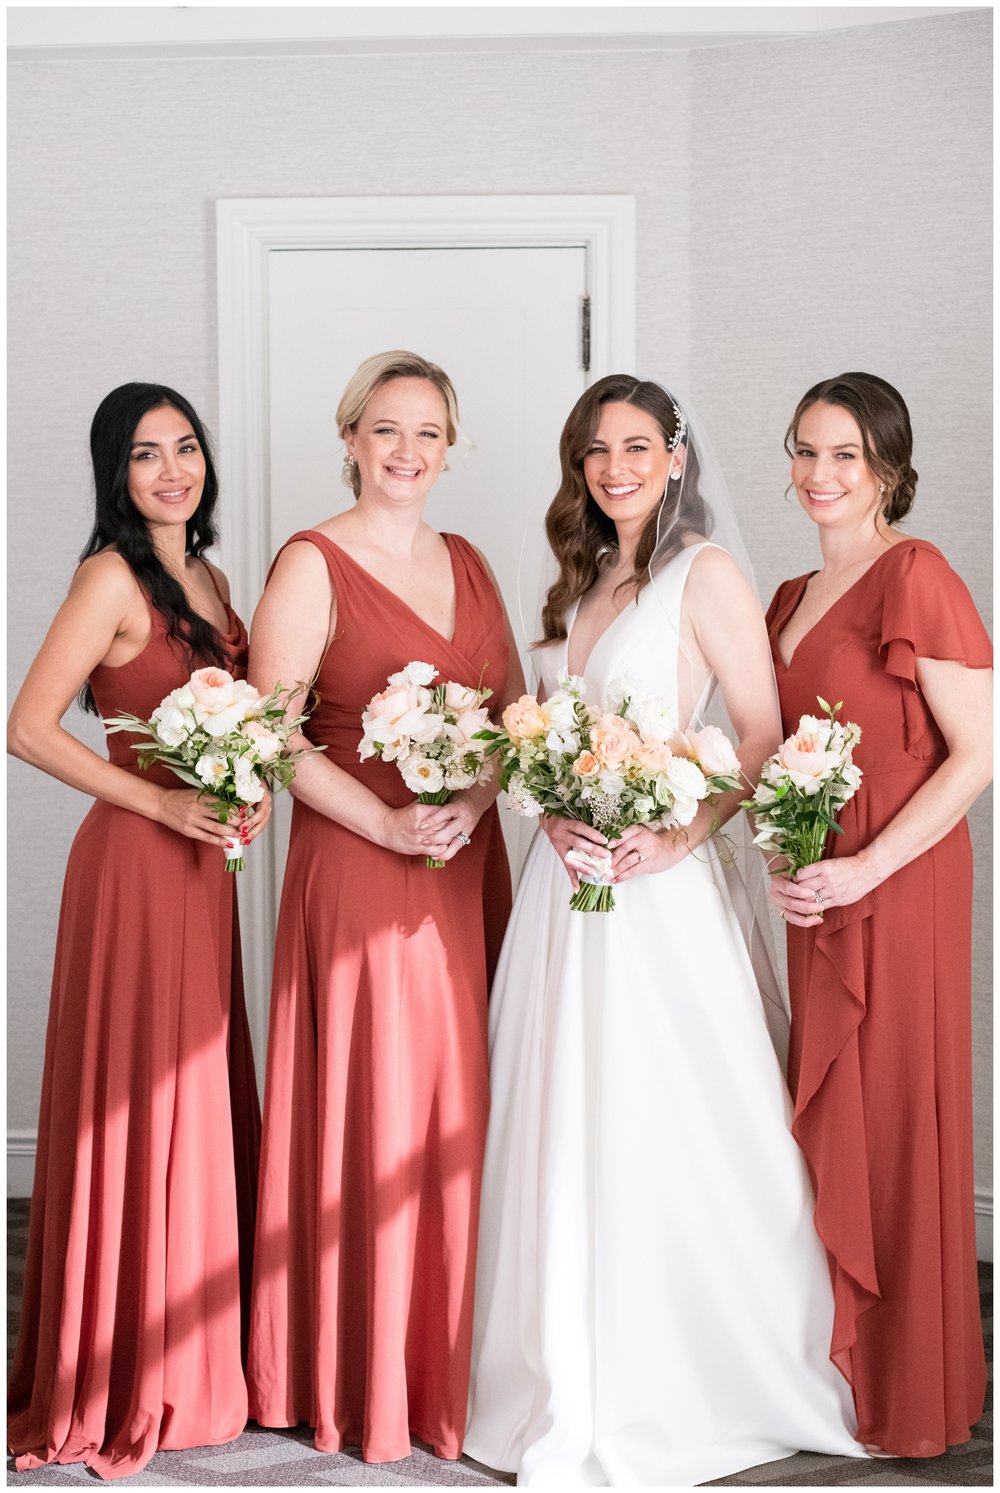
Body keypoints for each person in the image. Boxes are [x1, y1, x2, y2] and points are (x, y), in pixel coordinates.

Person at [465, 374, 864, 1486]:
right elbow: (547, 734)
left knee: (663, 1112)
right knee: (556, 1111)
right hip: (564, 891)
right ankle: (544, 1365)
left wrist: (675, 837)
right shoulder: (581, 582)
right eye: (596, 449)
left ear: (677, 457)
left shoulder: (707, 573)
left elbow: (759, 729)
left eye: (637, 445)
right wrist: (550, 803)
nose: (615, 466)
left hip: (657, 885)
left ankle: (688, 1374)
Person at [246, 350, 522, 1463]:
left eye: (428, 432)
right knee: (373, 1098)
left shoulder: (471, 560)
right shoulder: (312, 561)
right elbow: (269, 730)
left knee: (455, 1102)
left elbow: (513, 719)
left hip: (459, 856)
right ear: (352, 435)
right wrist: (385, 821)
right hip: (359, 861)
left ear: (451, 448)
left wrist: (469, 795)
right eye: (386, 428)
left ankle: (449, 1355)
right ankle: (356, 1366)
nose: (406, 451)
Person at [7, 383, 264, 1479]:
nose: (173, 469)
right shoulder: (109, 576)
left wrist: (240, 790)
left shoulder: (206, 574)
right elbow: (25, 725)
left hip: (205, 869)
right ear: (116, 472)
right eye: (147, 454)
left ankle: (199, 1348)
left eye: (187, 447)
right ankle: (134, 1369)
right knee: (143, 1095)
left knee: (191, 1090)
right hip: (135, 866)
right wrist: (158, 801)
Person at [765, 372, 991, 1458]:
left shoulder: (916, 572)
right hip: (821, 892)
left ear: (889, 467)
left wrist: (869, 871)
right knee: (832, 1116)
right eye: (804, 451)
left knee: (897, 1110)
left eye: (844, 454)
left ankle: (911, 1386)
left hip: (897, 888)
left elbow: (979, 753)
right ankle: (838, 1369)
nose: (818, 474)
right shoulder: (782, 598)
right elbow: (776, 764)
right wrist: (789, 857)